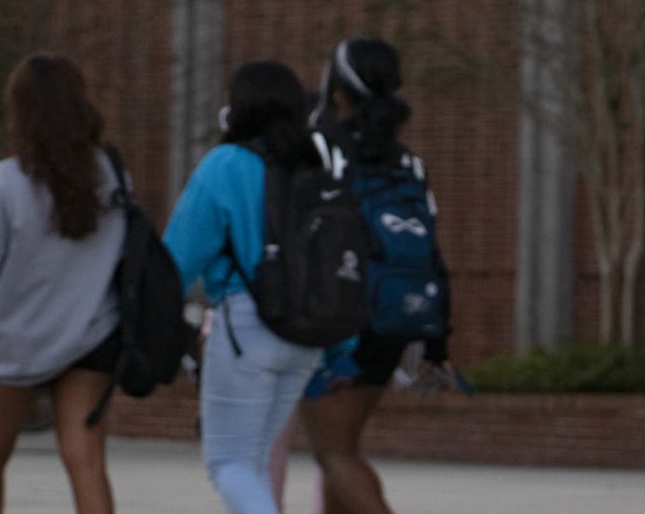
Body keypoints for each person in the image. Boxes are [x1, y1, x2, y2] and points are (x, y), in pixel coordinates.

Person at [0, 54, 125, 514]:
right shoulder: (111, 177)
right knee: (86, 463)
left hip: (20, 342)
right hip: (92, 337)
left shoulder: (1, 185)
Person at [299, 37, 457, 514]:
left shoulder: (322, 149)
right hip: (396, 319)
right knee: (342, 447)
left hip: (338, 322)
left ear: (338, 92)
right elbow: (431, 249)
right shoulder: (408, 161)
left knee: (335, 452)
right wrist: (437, 343)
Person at [164, 60, 324, 514]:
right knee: (252, 462)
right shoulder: (315, 166)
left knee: (229, 462)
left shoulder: (225, 165)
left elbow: (178, 256)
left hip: (246, 327)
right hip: (306, 333)